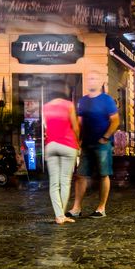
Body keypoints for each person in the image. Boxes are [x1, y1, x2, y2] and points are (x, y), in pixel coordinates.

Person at [67, 71, 120, 218]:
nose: (91, 81)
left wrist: (105, 137)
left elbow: (115, 120)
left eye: (95, 78)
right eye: (89, 78)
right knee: (81, 175)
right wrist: (78, 139)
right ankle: (76, 208)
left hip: (102, 144)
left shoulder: (107, 100)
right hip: (87, 143)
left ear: (101, 82)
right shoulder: (83, 101)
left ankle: (101, 208)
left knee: (103, 175)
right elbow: (79, 122)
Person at [43, 79, 80, 225]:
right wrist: (78, 143)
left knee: (54, 183)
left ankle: (59, 216)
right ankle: (61, 216)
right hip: (68, 145)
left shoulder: (45, 107)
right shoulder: (69, 105)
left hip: (51, 145)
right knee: (65, 182)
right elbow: (75, 127)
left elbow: (47, 127)